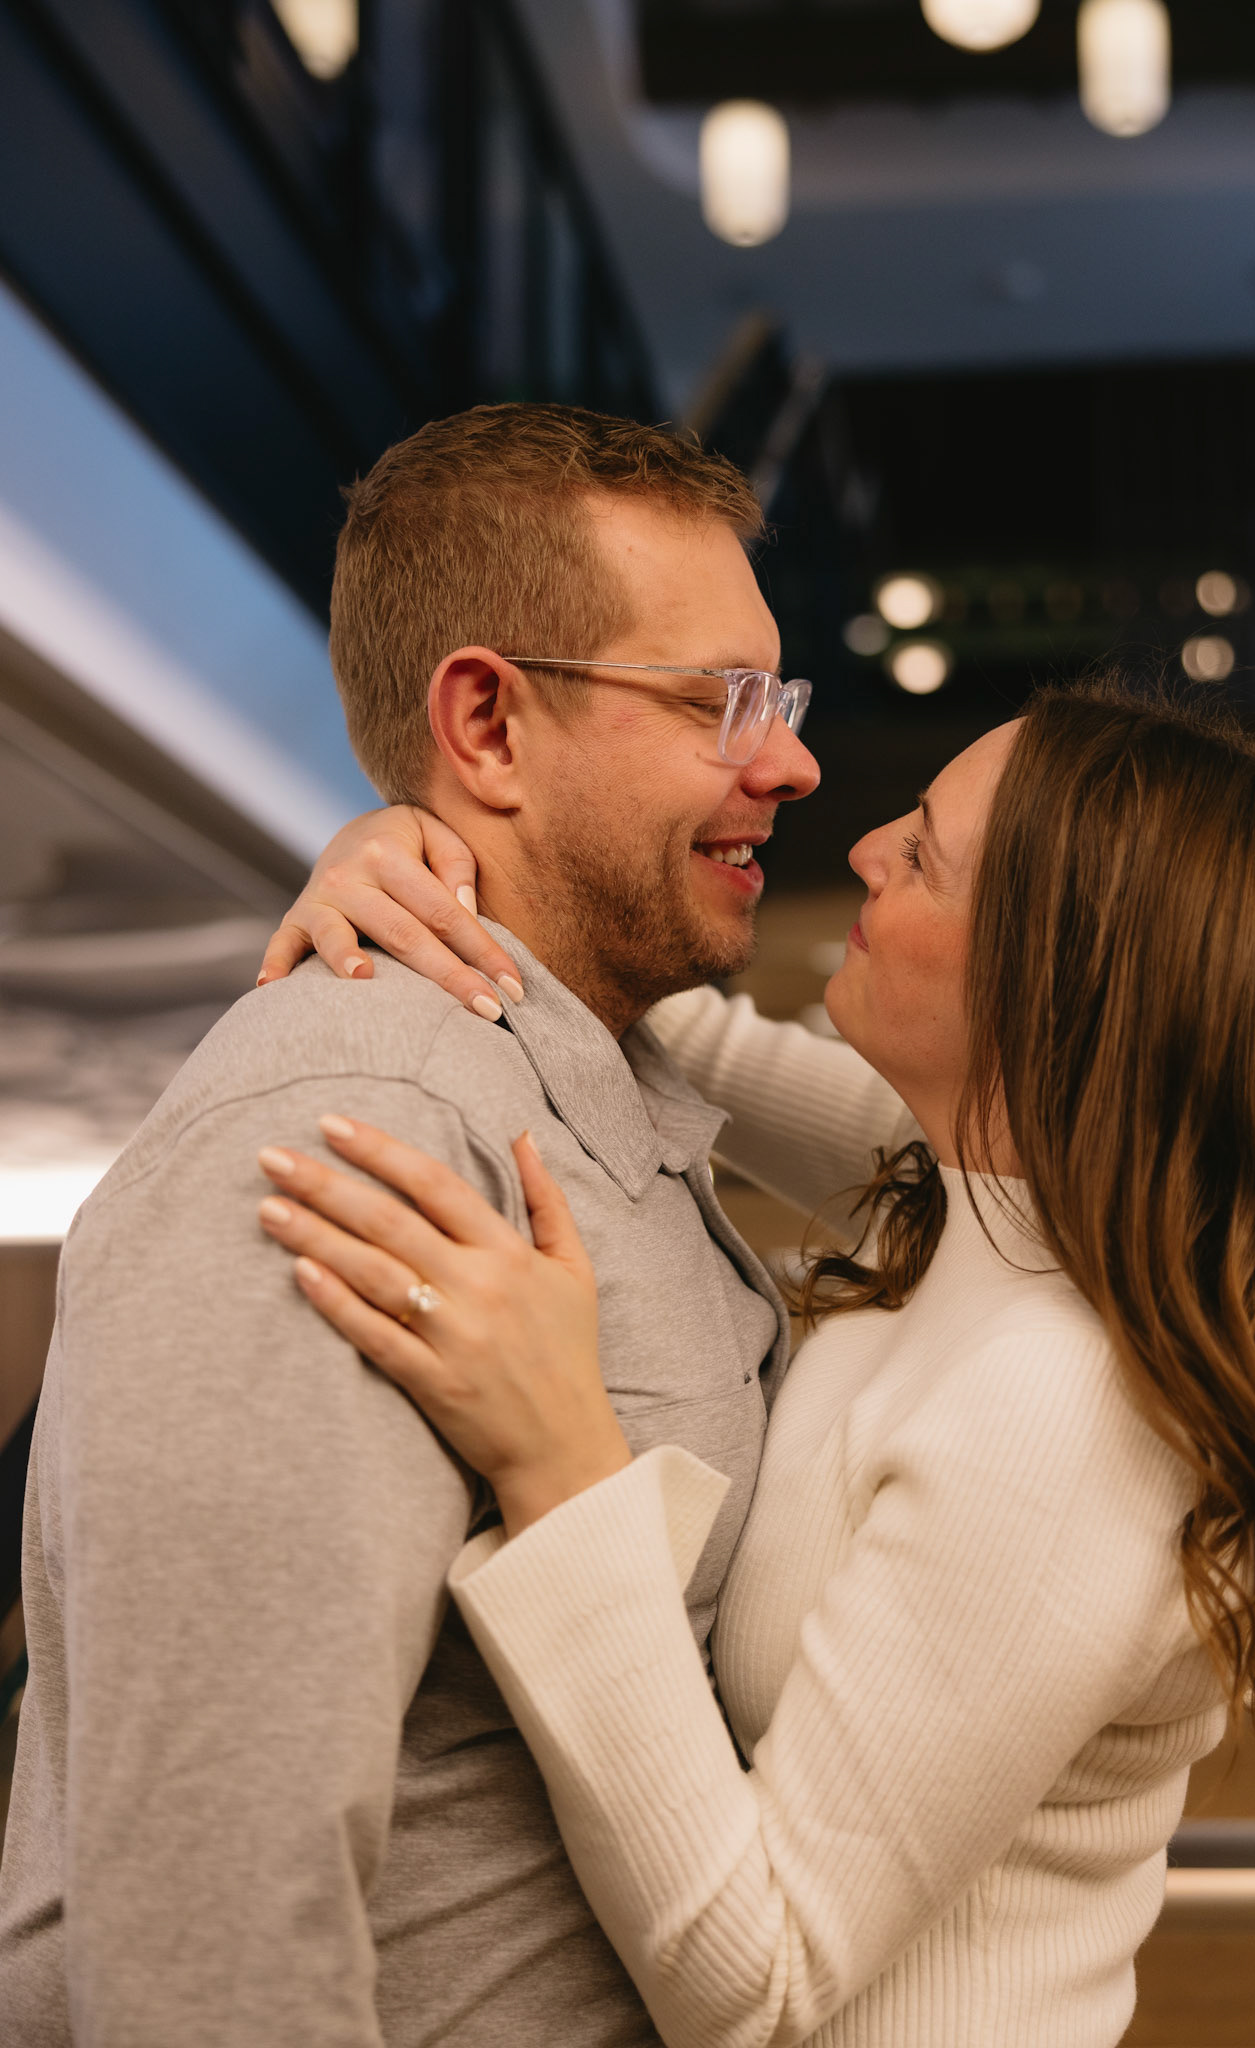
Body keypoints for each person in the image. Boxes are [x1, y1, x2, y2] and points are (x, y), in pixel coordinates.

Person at [253, 680, 1255, 2048]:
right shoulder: (987, 1196)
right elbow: (655, 1034)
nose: (864, 847)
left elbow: (759, 1978)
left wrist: (558, 1455)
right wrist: (418, 865)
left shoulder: (1061, 1411)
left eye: (924, 854)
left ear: (1048, 984)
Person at [0, 403, 823, 2046]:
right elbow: (212, 1909)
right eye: (714, 700)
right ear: (488, 726)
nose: (789, 760)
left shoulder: (580, 1078)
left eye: (778, 700)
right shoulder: (350, 1127)